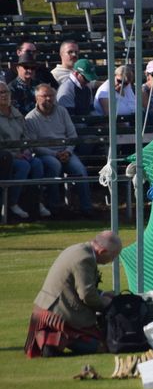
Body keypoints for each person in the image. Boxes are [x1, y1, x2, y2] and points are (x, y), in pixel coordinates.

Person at [25, 230, 122, 358]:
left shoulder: (77, 249)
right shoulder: (85, 259)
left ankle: (50, 339)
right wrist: (106, 305)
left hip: (45, 309)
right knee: (103, 345)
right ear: (102, 251)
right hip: (58, 315)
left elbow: (77, 287)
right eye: (114, 256)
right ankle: (52, 341)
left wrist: (103, 293)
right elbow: (87, 295)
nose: (113, 260)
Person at [25, 84, 93, 218]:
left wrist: (68, 151)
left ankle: (87, 208)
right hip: (45, 153)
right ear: (36, 98)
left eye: (51, 95)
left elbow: (72, 135)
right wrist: (54, 154)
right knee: (54, 165)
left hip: (66, 151)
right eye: (44, 96)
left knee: (80, 170)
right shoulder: (30, 118)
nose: (48, 99)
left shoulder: (62, 111)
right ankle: (55, 207)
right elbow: (34, 145)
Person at [0, 80, 45, 220]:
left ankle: (35, 202)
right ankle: (12, 203)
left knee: (37, 163)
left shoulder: (16, 113)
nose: (4, 95)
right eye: (0, 93)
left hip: (22, 153)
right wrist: (16, 154)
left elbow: (26, 135)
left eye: (6, 92)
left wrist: (26, 150)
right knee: (23, 166)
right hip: (6, 156)